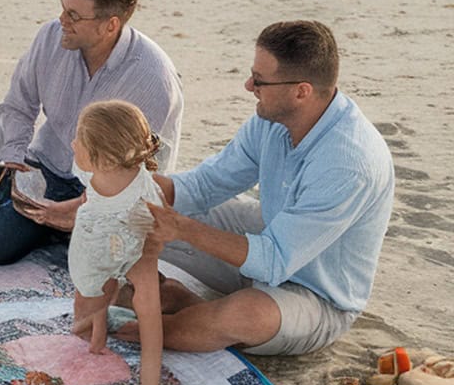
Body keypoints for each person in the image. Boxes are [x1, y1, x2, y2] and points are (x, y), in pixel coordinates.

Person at [119, 20, 394, 357]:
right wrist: (122, 194)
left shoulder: (349, 163)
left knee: (245, 314)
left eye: (260, 80)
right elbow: (207, 184)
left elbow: (275, 260)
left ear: (301, 91)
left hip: (316, 296)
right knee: (141, 209)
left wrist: (180, 228)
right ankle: (178, 301)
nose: (249, 85)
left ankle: (154, 327)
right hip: (269, 240)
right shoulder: (273, 118)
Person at [0, 0, 183, 266]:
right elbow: (18, 105)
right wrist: (13, 160)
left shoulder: (152, 77)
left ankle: (58, 232)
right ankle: (41, 225)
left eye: (74, 15)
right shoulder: (50, 37)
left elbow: (141, 174)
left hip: (109, 191)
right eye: (64, 8)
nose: (61, 20)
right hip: (47, 170)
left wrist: (83, 208)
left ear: (110, 25)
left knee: (106, 258)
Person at [69, 101, 162, 385]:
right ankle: (97, 333)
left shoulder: (144, 199)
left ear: (106, 160)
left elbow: (160, 224)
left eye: (79, 141)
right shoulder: (93, 170)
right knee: (91, 283)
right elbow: (89, 196)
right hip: (99, 235)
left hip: (136, 246)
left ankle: (150, 382)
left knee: (148, 308)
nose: (73, 144)